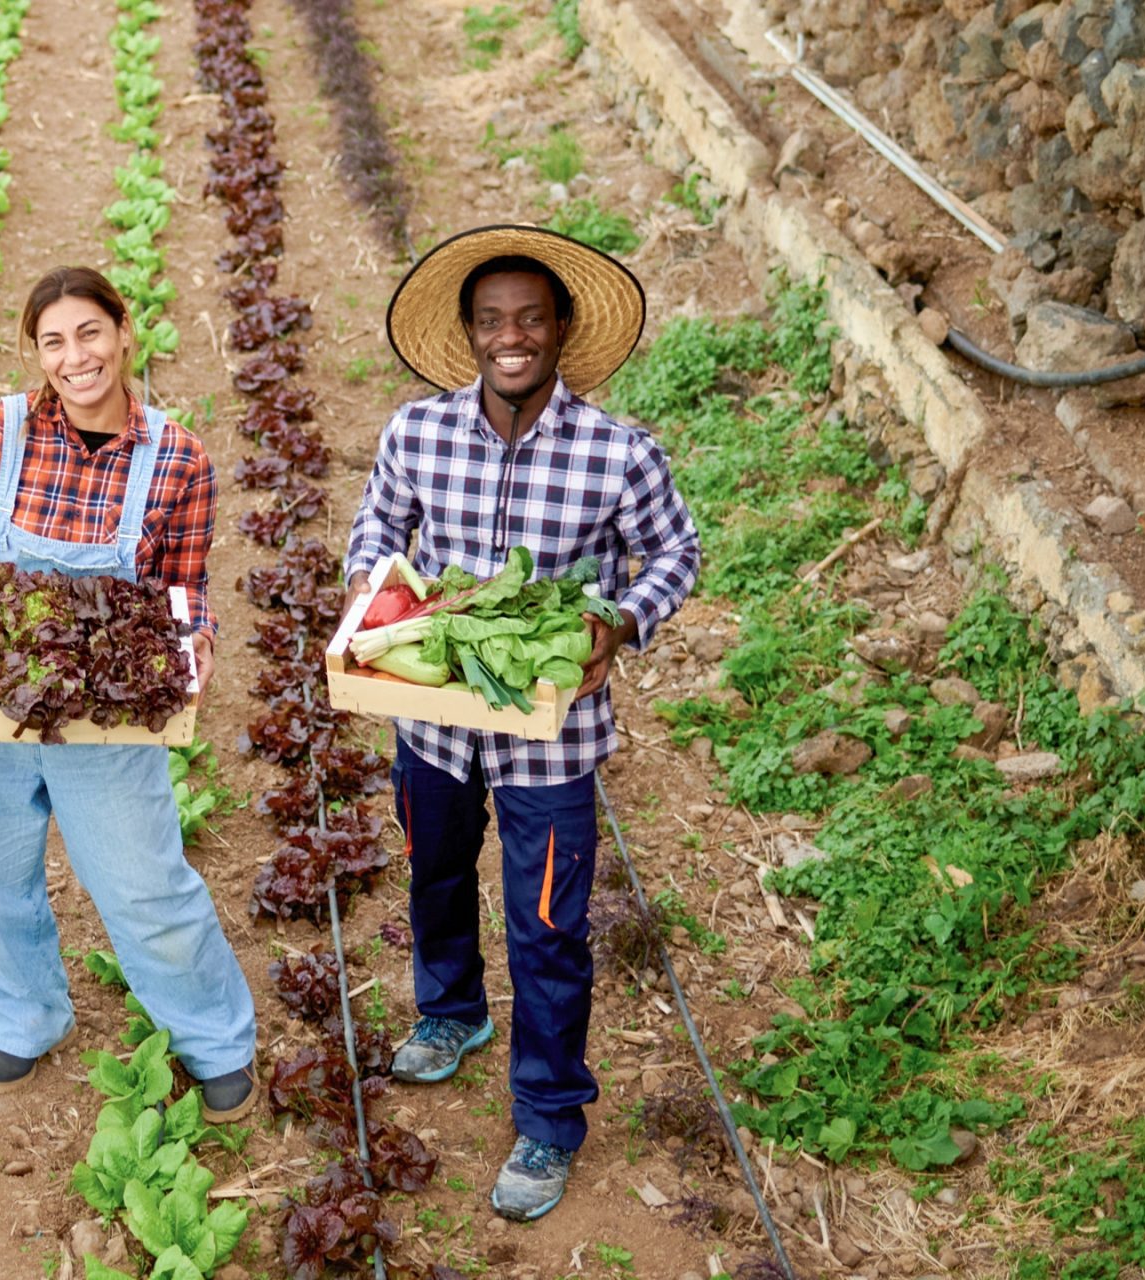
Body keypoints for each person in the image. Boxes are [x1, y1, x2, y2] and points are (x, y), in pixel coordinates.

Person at [347, 225, 701, 1220]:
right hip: (434, 719)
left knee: (548, 928)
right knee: (436, 871)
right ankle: (451, 1011)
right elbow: (374, 526)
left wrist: (619, 617)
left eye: (530, 318)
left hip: (553, 734)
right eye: (493, 319)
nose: (512, 336)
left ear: (560, 330)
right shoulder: (416, 433)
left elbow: (676, 551)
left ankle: (548, 1119)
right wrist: (380, 593)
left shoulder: (619, 452)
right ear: (468, 334)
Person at [0, 266, 257, 1121]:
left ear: (123, 330)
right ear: (34, 354)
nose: (77, 359)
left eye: (90, 333)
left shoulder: (176, 458)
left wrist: (198, 643)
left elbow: (185, 589)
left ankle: (213, 1038)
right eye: (54, 342)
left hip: (106, 706)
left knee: (142, 881)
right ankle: (25, 1017)